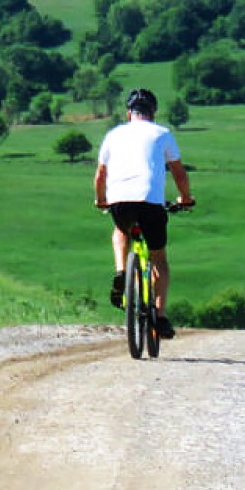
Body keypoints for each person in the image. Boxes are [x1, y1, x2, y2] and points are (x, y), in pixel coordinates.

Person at [94, 88, 194, 339]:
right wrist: (185, 198)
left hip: (120, 201)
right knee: (159, 259)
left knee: (120, 231)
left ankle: (121, 271)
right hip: (150, 202)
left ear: (129, 113)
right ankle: (159, 318)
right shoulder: (162, 133)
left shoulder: (113, 135)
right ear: (153, 113)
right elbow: (179, 173)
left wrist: (101, 200)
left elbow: (100, 175)